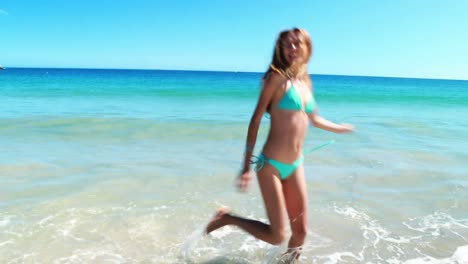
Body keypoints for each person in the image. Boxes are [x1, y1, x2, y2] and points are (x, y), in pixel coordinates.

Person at [206, 28, 354, 260]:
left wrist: (340, 128)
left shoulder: (305, 82)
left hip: (296, 165)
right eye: (287, 45)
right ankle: (227, 218)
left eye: (297, 44)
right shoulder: (275, 78)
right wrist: (245, 166)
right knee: (277, 235)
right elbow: (255, 121)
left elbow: (314, 119)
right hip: (271, 165)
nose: (292, 48)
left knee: (301, 233)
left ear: (307, 47)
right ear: (280, 49)